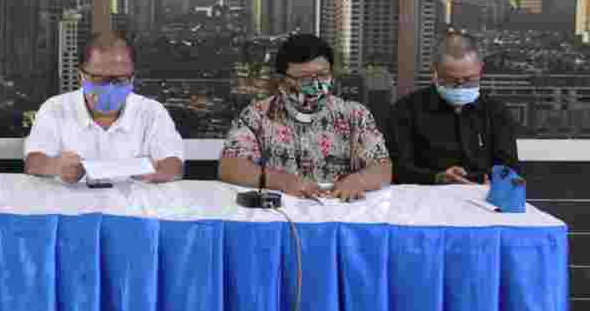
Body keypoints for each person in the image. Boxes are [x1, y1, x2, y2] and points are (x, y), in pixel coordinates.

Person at [219, 33, 390, 202]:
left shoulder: (355, 115)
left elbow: (382, 168)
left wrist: (358, 180)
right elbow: (230, 167)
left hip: (338, 210)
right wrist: (282, 181)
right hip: (279, 212)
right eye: (304, 78)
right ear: (281, 80)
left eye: (322, 75)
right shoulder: (257, 115)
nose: (315, 86)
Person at [24, 33, 183, 184]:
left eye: (120, 79)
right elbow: (33, 162)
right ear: (81, 76)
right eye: (99, 79)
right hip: (70, 201)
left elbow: (173, 164)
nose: (110, 87)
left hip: (134, 202)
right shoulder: (55, 108)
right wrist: (56, 166)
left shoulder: (152, 112)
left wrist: (159, 172)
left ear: (132, 78)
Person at [386, 31, 519, 185]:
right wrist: (437, 177)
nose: (460, 87)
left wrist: (488, 180)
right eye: (451, 80)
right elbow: (397, 169)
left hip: (484, 195)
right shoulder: (406, 110)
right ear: (435, 70)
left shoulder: (496, 111)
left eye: (469, 79)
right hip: (425, 196)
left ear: (480, 69)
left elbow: (509, 168)